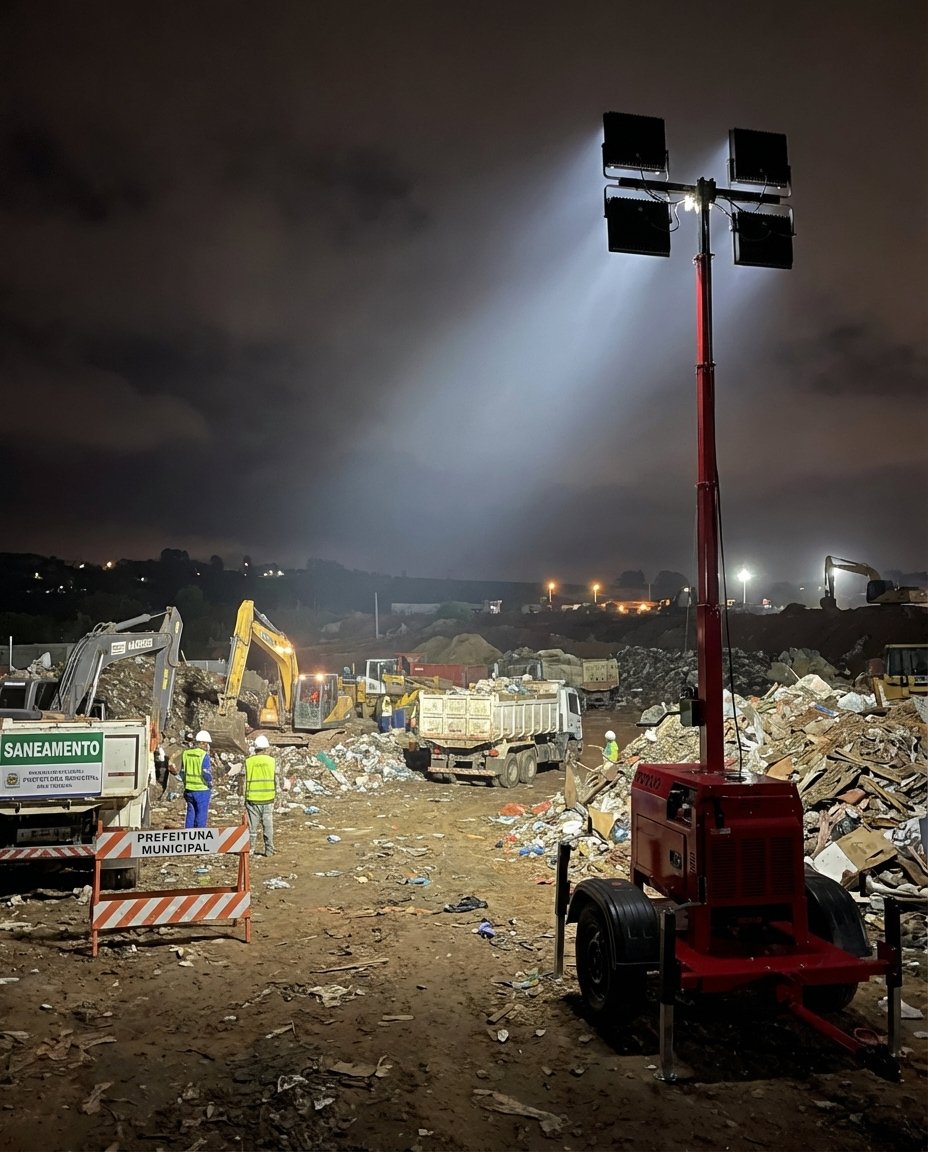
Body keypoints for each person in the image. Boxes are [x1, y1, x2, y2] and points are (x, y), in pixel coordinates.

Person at [243, 734, 279, 857]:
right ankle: (269, 850)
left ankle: (251, 850)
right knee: (268, 825)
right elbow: (276, 780)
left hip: (252, 800)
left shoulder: (248, 762)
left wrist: (243, 798)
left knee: (252, 828)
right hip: (268, 799)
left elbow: (243, 781)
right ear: (266, 748)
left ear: (255, 748)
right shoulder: (272, 761)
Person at [180, 730, 213, 829]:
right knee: (201, 815)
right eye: (207, 743)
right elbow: (206, 773)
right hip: (202, 789)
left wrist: (185, 783)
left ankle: (188, 836)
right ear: (203, 743)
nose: (207, 746)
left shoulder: (186, 753)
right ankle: (199, 836)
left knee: (191, 812)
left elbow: (182, 771)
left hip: (189, 789)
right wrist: (210, 783)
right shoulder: (203, 755)